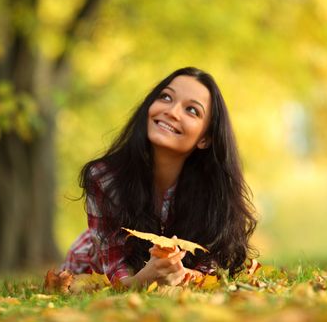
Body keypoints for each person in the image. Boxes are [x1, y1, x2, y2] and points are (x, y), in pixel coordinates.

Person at [62, 67, 257, 287]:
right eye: (165, 97)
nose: (172, 112)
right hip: (89, 270)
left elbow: (209, 273)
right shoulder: (105, 178)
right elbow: (115, 277)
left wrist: (178, 273)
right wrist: (147, 276)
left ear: (206, 138)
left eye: (192, 110)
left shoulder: (216, 196)